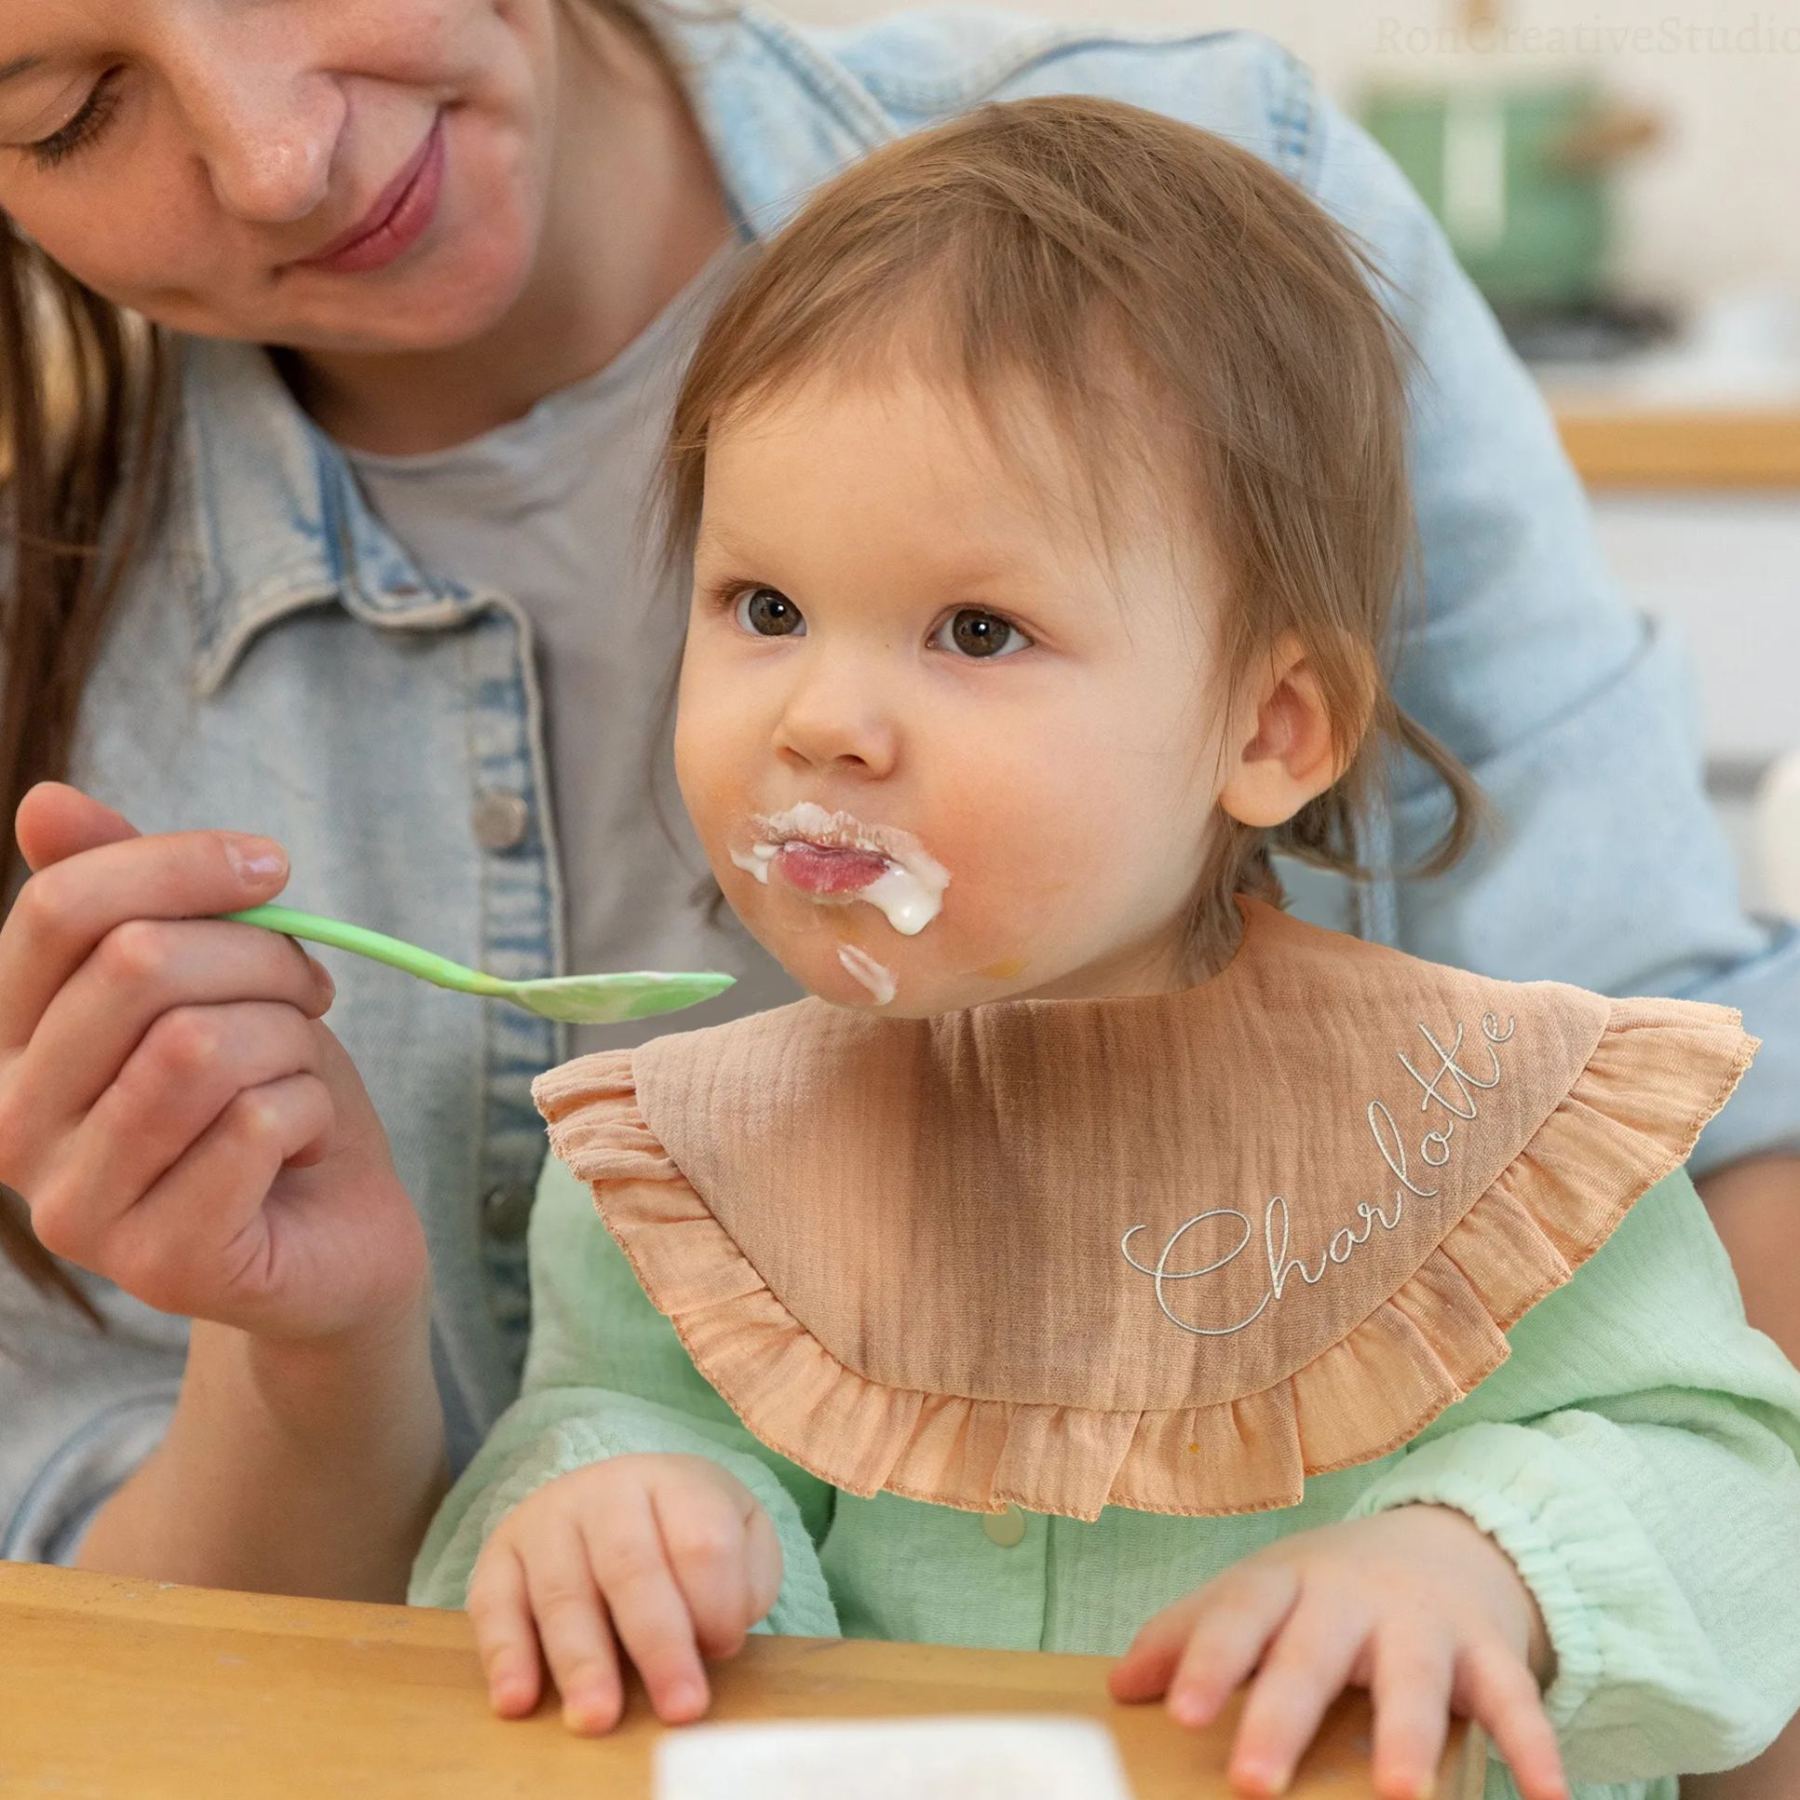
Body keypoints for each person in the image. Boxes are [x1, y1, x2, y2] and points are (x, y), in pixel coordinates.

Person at [0, 8, 1794, 1787]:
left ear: (1269, 725)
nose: (822, 721)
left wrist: (1482, 1562)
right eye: (763, 611)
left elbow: (1724, 1473)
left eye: (980, 632)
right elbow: (593, 1426)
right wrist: (624, 1514)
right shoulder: (672, 1159)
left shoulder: (1510, 1122)